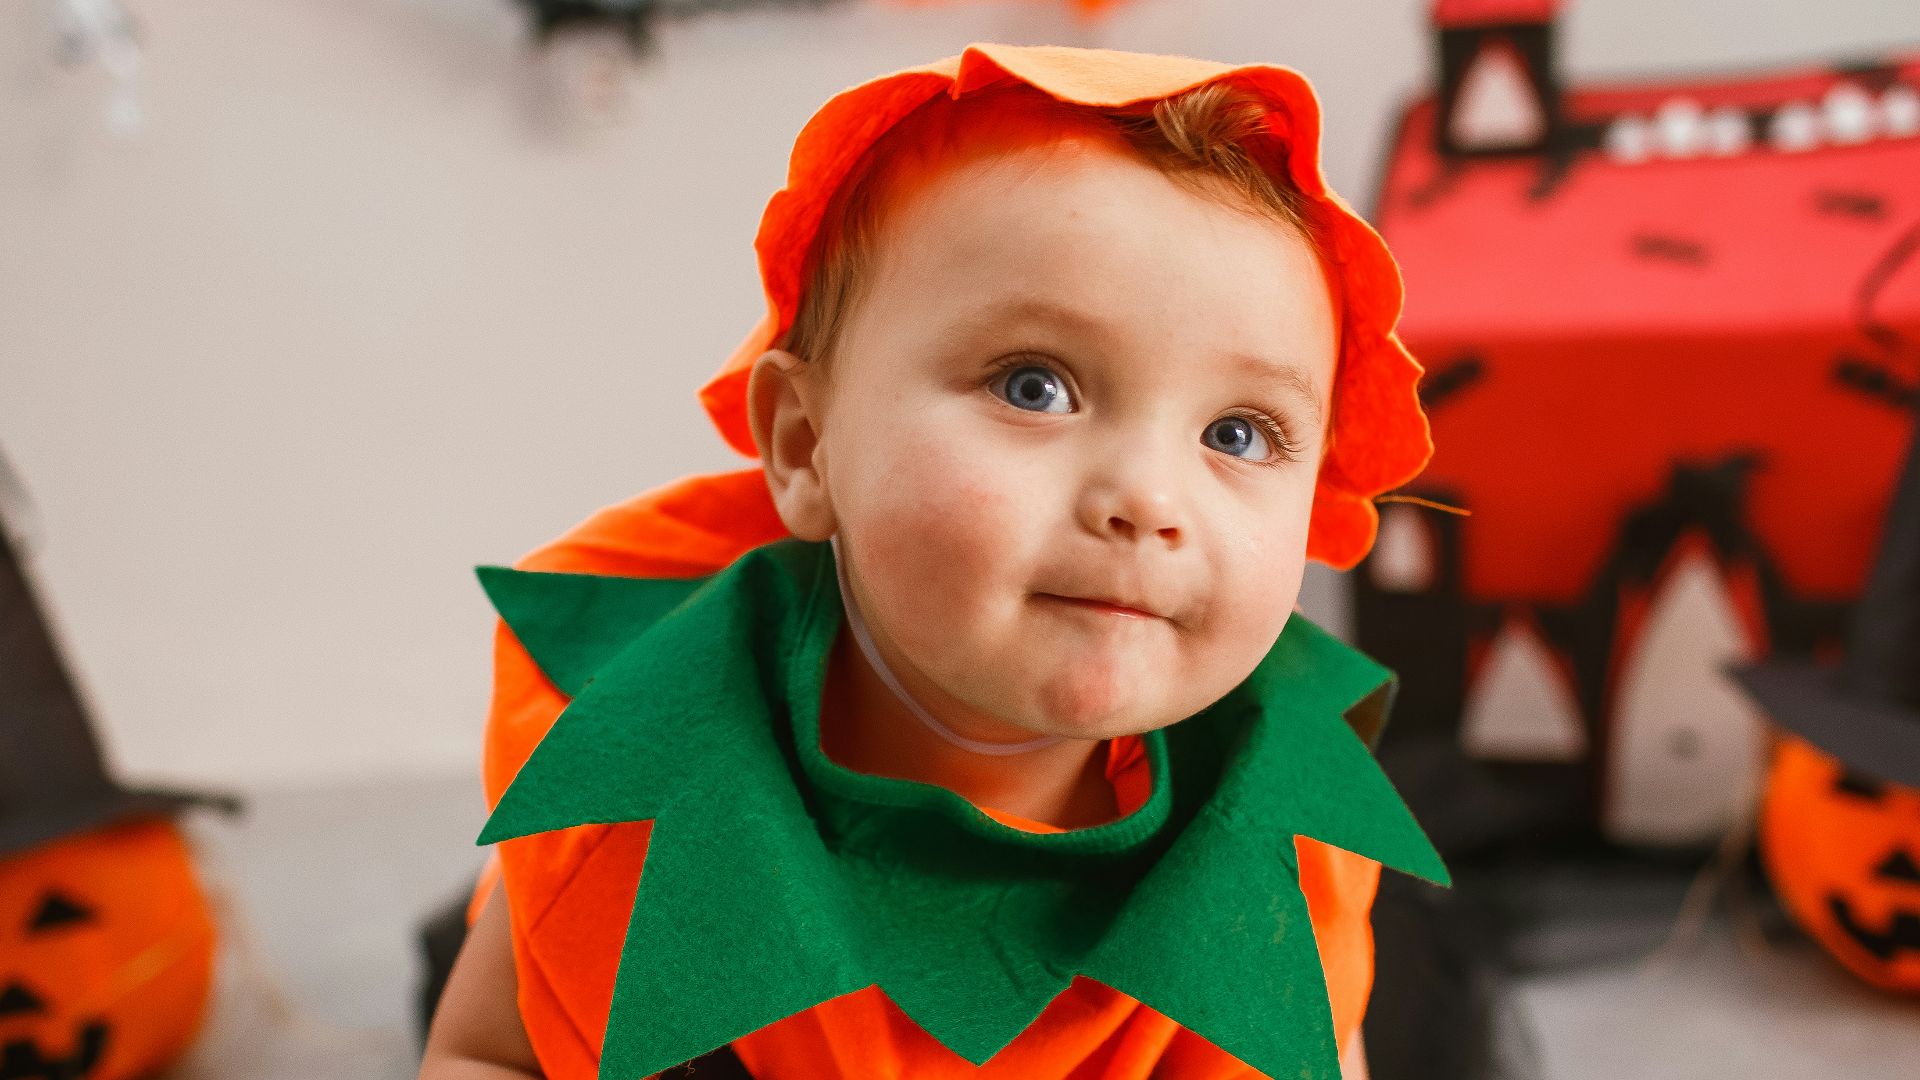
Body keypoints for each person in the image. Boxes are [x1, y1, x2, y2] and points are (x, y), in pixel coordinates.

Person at [419, 44, 1444, 1080]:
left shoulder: (1269, 833)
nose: (1149, 501)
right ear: (806, 447)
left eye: (1239, 434)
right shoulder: (659, 753)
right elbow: (484, 1054)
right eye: (1034, 386)